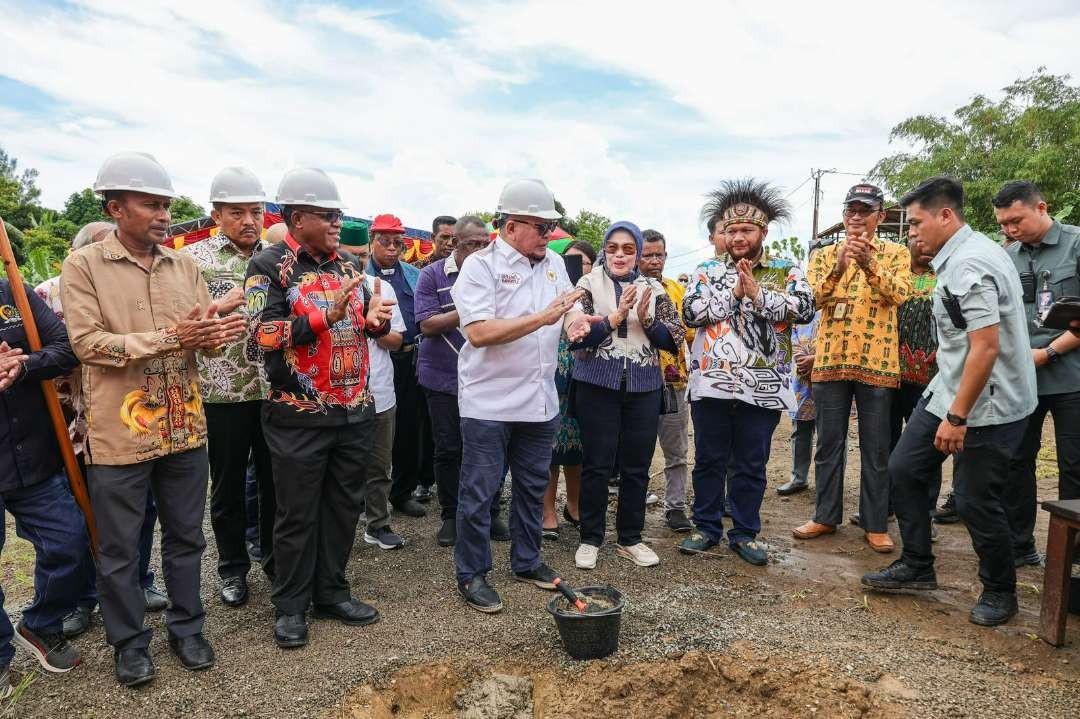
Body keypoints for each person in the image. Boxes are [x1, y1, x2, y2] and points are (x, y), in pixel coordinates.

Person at [61, 152, 246, 686]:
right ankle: (128, 642)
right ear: (116, 208)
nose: (164, 215)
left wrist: (211, 338)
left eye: (166, 205)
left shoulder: (184, 265)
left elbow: (200, 343)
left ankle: (188, 628)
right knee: (119, 546)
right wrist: (174, 337)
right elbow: (88, 344)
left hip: (185, 425)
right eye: (151, 205)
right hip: (120, 432)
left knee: (188, 535)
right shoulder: (84, 266)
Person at [862, 177, 1036, 627]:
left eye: (916, 222)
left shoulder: (968, 264)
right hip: (949, 387)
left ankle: (1000, 590)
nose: (910, 233)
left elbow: (986, 349)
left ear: (945, 216)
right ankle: (918, 565)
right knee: (905, 468)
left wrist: (958, 418)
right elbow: (968, 336)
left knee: (977, 499)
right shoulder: (963, 253)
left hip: (987, 402)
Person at [246, 168, 394, 648]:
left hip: (355, 412)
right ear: (296, 217)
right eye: (328, 215)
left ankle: (332, 590)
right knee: (296, 513)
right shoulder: (268, 266)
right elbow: (260, 336)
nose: (337, 223)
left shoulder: (349, 268)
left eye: (339, 215)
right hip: (297, 416)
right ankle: (290, 607)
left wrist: (371, 322)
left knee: (343, 507)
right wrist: (321, 316)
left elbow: (362, 326)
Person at [451, 178, 592, 613]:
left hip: (539, 402)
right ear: (512, 227)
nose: (550, 235)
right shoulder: (480, 266)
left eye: (551, 226)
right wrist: (543, 317)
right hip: (488, 403)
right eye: (542, 226)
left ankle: (526, 560)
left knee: (532, 488)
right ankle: (472, 573)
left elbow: (566, 307)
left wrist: (574, 322)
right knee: (481, 492)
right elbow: (478, 333)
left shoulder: (550, 262)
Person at [35, 222, 169, 639]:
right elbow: (52, 350)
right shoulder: (45, 293)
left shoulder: (140, 281)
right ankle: (82, 598)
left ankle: (140, 580)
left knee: (141, 509)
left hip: (129, 414)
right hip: (69, 419)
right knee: (80, 512)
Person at [680, 179, 815, 565]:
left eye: (746, 230)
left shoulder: (788, 271)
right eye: (731, 230)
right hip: (712, 383)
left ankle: (744, 532)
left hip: (764, 386)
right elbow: (691, 313)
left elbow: (804, 308)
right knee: (708, 458)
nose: (738, 236)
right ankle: (705, 527)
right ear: (722, 233)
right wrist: (734, 295)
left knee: (751, 462)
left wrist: (759, 295)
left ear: (763, 232)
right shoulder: (705, 271)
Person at [795, 183, 912, 553]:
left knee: (876, 448)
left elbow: (900, 293)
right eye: (851, 211)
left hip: (876, 361)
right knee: (829, 444)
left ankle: (875, 523)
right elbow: (811, 300)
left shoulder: (896, 252)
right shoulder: (824, 254)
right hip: (829, 360)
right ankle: (825, 516)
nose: (857, 217)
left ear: (880, 216)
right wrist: (841, 265)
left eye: (865, 210)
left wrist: (868, 263)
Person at [571, 221, 685, 570]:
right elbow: (579, 335)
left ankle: (630, 538)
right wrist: (613, 318)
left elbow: (675, 337)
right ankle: (590, 538)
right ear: (604, 250)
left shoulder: (653, 287)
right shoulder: (588, 283)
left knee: (637, 465)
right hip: (597, 385)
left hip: (643, 387)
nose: (620, 255)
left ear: (637, 253)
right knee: (597, 464)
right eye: (613, 248)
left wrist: (648, 322)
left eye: (628, 249)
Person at [186, 167, 275, 608]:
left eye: (255, 211)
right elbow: (180, 324)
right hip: (224, 393)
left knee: (276, 482)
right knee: (227, 487)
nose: (248, 221)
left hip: (274, 389)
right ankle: (233, 570)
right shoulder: (194, 261)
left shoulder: (279, 257)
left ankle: (275, 560)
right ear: (216, 214)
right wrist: (216, 310)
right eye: (236, 212)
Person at [0, 277, 88, 694]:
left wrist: (22, 365)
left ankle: (40, 623)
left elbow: (65, 348)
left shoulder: (11, 292)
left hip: (33, 454)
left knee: (69, 540)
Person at [996, 180, 1080, 567]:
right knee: (1016, 461)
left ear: (1041, 208)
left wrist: (1047, 352)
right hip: (1022, 378)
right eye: (1004, 225)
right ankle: (1018, 545)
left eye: (1017, 221)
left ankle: (1071, 558)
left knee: (1074, 467)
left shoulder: (1075, 245)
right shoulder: (1008, 256)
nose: (1011, 230)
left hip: (1071, 377)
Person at [415, 216, 507, 546]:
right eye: (473, 244)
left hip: (488, 377)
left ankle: (489, 512)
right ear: (455, 242)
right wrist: (469, 309)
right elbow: (426, 324)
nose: (482, 250)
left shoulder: (498, 274)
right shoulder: (432, 274)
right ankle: (451, 515)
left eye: (486, 244)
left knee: (490, 448)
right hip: (443, 377)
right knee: (449, 447)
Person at [337, 222, 407, 551]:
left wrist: (377, 328)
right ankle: (337, 531)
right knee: (340, 468)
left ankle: (377, 524)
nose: (355, 264)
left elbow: (397, 342)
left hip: (379, 391)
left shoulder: (381, 288)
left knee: (380, 465)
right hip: (337, 396)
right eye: (348, 257)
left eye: (361, 257)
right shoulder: (323, 289)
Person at [365, 214, 433, 518]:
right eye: (384, 241)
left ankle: (402, 492)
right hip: (373, 358)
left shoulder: (412, 274)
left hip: (409, 357)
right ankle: (364, 498)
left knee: (408, 426)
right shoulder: (360, 274)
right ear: (371, 242)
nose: (392, 248)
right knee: (371, 428)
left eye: (397, 242)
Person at [638, 229, 695, 532]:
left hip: (673, 381)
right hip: (638, 383)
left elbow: (690, 331)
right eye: (647, 255)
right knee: (638, 450)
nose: (654, 261)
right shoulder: (628, 290)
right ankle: (634, 505)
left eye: (659, 254)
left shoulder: (677, 290)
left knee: (677, 450)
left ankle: (676, 508)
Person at [891, 233, 943, 530]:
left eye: (929, 242)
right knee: (886, 442)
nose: (923, 247)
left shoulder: (946, 276)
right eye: (916, 241)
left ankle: (926, 514)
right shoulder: (894, 276)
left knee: (926, 446)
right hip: (890, 374)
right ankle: (884, 506)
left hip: (932, 378)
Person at [545, 240, 596, 539]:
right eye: (571, 261)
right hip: (552, 377)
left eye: (584, 261)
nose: (578, 267)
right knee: (550, 450)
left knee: (578, 449)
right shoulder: (553, 289)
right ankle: (547, 510)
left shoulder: (597, 291)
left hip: (585, 379)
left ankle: (574, 506)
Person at [778, 269, 821, 497]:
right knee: (800, 428)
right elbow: (789, 333)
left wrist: (816, 359)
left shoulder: (836, 302)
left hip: (829, 374)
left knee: (831, 433)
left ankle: (828, 481)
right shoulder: (799, 303)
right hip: (801, 377)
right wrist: (800, 358)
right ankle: (798, 477)